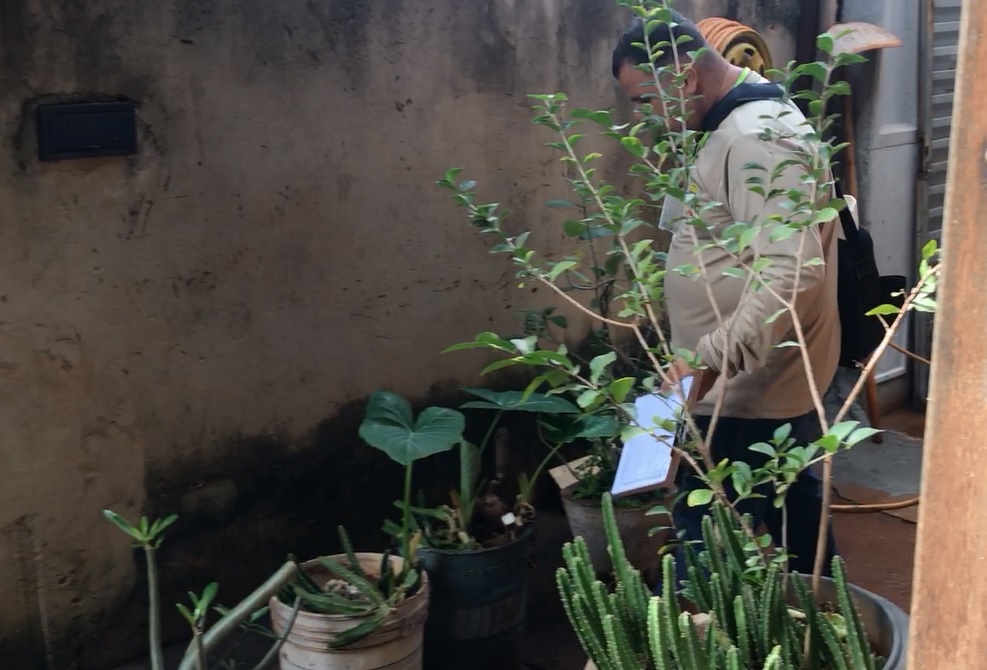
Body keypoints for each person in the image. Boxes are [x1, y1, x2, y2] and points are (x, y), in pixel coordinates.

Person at [610, 11, 840, 588]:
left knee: (709, 546)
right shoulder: (729, 122)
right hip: (736, 376)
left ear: (684, 78)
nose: (643, 119)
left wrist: (708, 355)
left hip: (746, 386)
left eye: (643, 101)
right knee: (794, 528)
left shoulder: (757, 136)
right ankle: (822, 622)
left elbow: (792, 272)